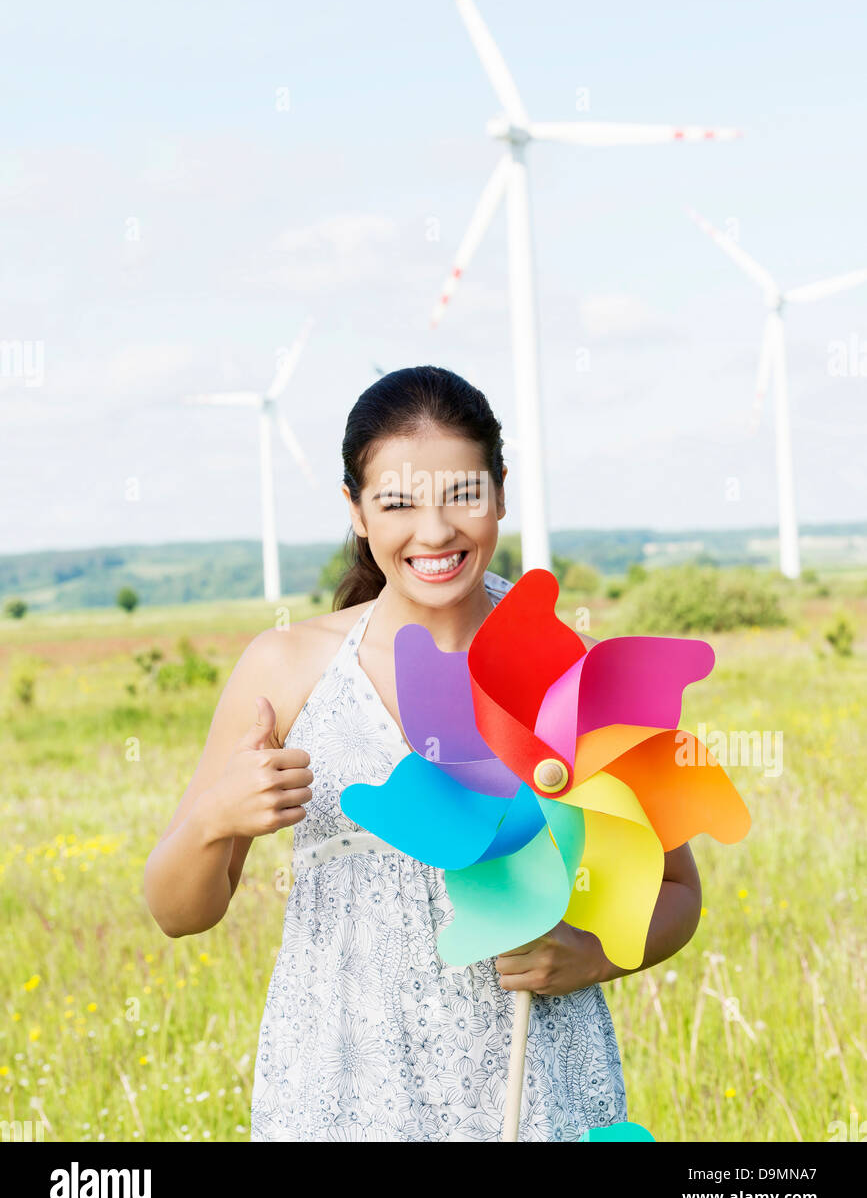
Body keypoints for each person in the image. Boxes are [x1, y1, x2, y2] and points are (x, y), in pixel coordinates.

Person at [144, 364, 701, 1141]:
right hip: (342, 1090)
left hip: (531, 1085)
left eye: (462, 496)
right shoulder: (286, 668)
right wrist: (214, 819)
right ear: (356, 511)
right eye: (397, 503)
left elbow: (676, 890)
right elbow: (175, 912)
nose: (434, 532)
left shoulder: (556, 660)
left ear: (500, 492)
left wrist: (594, 956)